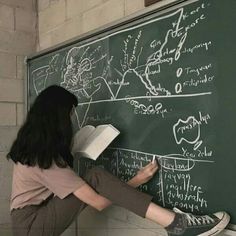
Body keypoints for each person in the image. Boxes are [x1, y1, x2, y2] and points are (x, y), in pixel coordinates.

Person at [7, 85, 230, 236]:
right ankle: (176, 224)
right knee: (94, 175)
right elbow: (99, 203)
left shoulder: (35, 150)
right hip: (31, 226)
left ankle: (176, 224)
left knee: (93, 177)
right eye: (69, 115)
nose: (71, 122)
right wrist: (137, 179)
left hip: (28, 218)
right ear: (57, 118)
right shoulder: (47, 161)